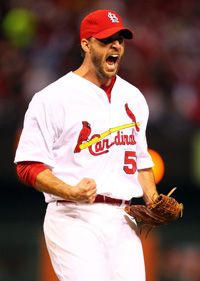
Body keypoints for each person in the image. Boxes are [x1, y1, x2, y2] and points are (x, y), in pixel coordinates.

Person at [14, 9, 159, 281]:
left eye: (120, 40)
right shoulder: (53, 98)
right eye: (106, 40)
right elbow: (27, 166)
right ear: (85, 44)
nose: (116, 45)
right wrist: (70, 190)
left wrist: (152, 198)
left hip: (124, 219)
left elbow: (141, 160)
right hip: (73, 215)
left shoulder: (134, 97)